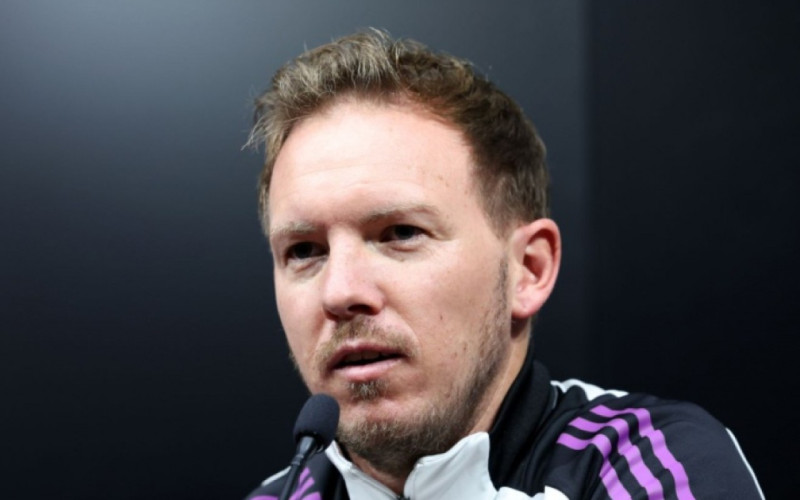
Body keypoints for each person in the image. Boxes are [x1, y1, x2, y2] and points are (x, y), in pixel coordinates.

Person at [242, 29, 763, 500]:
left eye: (401, 234)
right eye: (304, 251)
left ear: (528, 270)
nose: (340, 292)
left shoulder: (651, 461)